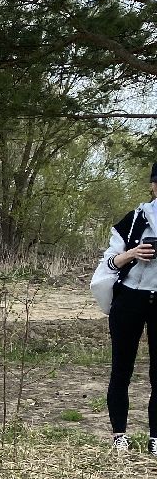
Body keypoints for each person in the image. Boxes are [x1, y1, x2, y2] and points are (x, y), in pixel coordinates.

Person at [97, 162, 157, 454]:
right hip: (129, 299)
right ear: (152, 185)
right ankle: (120, 434)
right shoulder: (134, 219)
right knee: (122, 368)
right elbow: (109, 263)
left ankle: (155, 438)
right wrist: (133, 253)